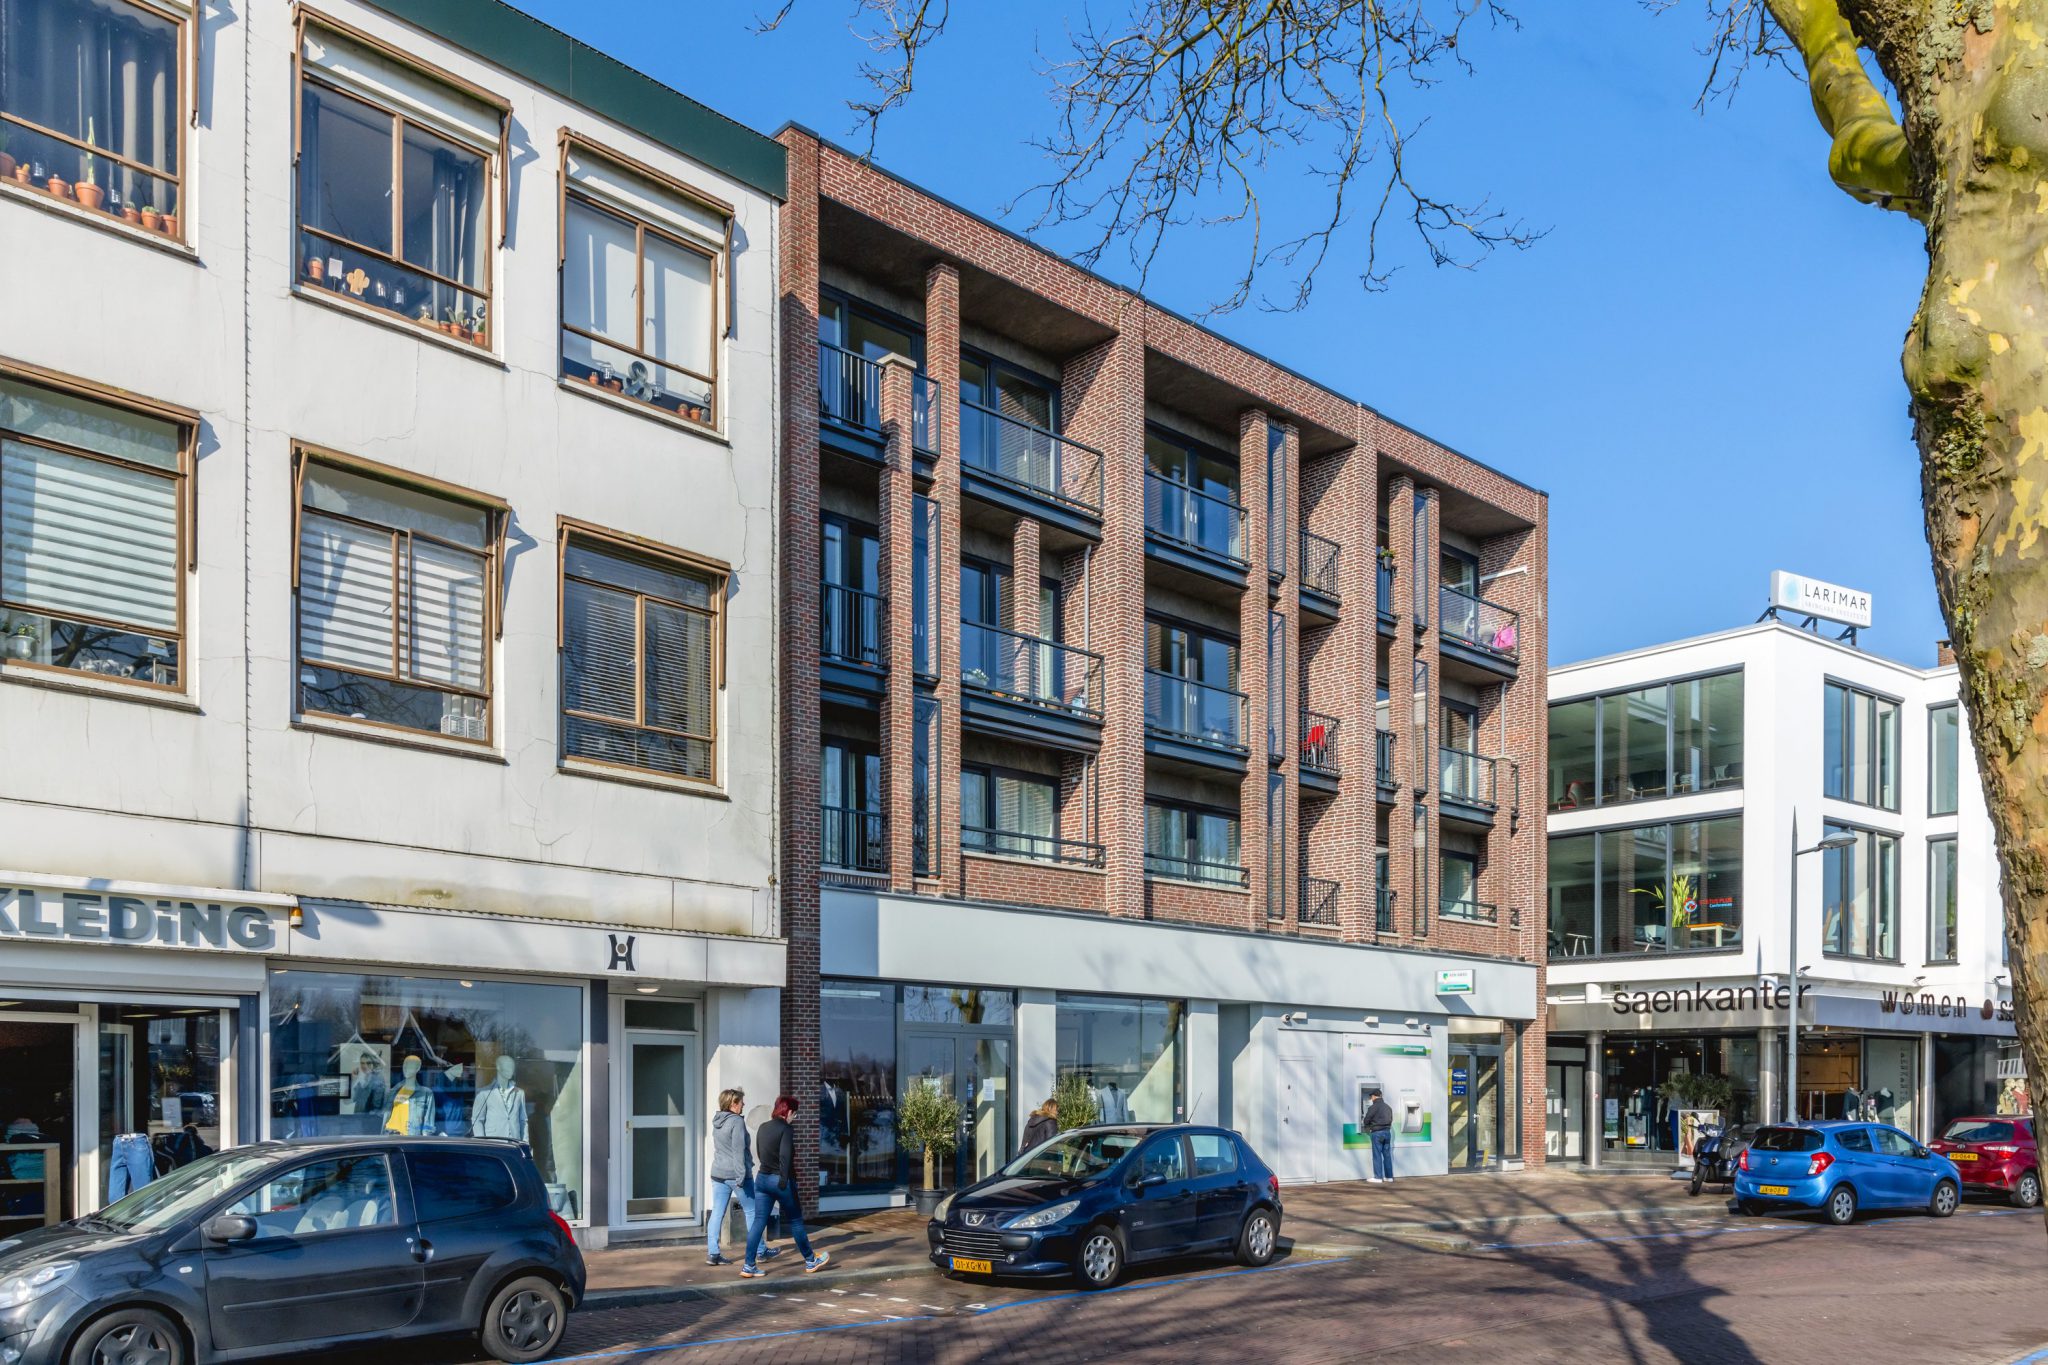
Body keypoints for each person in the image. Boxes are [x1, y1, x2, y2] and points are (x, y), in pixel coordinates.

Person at [743, 1095, 829, 1277]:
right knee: (796, 1221)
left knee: (758, 1222)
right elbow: (785, 1157)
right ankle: (811, 1260)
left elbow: (760, 1153)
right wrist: (784, 1181)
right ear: (788, 1111)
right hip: (780, 1180)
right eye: (794, 1114)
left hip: (762, 1179)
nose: (794, 1118)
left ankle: (748, 1266)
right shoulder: (786, 1129)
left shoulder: (763, 1127)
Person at [705, 1088, 776, 1267]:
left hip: (718, 1173)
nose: (744, 1104)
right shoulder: (736, 1121)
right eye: (741, 1102)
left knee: (717, 1212)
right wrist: (742, 1176)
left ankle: (713, 1253)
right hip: (736, 1175)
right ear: (733, 1103)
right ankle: (760, 1251)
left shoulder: (717, 1120)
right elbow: (738, 1151)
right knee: (752, 1212)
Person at [1363, 1087, 1395, 1184]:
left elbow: (1366, 1120)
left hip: (1377, 1133)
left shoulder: (1373, 1107)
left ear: (1373, 1096)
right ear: (1380, 1096)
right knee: (1387, 1155)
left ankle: (1378, 1177)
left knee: (1377, 1155)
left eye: (1371, 1097)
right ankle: (1389, 1177)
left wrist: (1368, 1126)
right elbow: (1391, 1119)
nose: (1371, 1099)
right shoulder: (1388, 1107)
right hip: (1387, 1133)